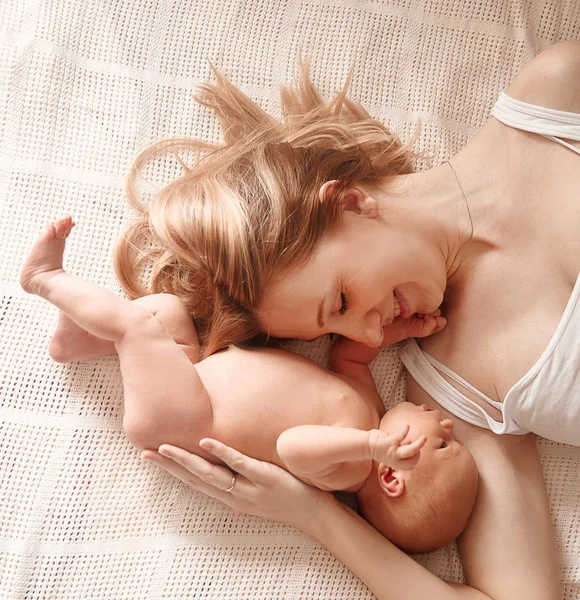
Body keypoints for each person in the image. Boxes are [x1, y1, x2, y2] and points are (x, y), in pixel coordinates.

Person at [115, 41, 580, 599]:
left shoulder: (554, 96)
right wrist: (319, 517)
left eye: (339, 302)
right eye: (335, 333)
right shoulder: (452, 396)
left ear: (348, 203)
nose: (367, 335)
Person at [19, 216, 478, 554]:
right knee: (167, 313)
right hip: (194, 371)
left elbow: (294, 445)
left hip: (186, 415)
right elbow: (350, 354)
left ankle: (46, 279)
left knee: (136, 329)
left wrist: (370, 445)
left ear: (392, 476)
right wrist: (402, 331)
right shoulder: (369, 407)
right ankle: (73, 341)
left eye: (442, 446)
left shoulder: (346, 468)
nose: (448, 427)